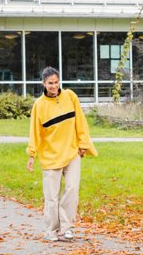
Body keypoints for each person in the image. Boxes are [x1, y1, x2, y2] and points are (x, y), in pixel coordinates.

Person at [26, 67, 97, 242]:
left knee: (72, 190)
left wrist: (83, 144)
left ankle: (67, 228)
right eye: (50, 83)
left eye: (57, 82)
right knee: (51, 197)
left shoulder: (70, 96)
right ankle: (51, 230)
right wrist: (32, 154)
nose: (54, 86)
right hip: (50, 156)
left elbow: (81, 121)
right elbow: (35, 132)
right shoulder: (39, 105)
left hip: (72, 152)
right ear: (44, 84)